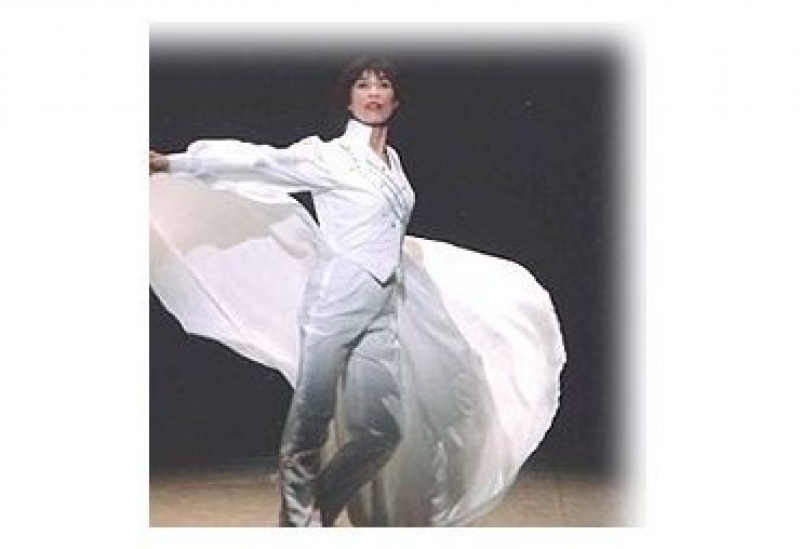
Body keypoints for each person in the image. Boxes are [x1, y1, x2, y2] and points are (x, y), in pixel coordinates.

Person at [149, 56, 566, 527]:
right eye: (362, 85)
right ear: (348, 100)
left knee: (381, 432)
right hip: (335, 301)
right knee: (311, 416)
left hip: (384, 307)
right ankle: (297, 522)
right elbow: (260, 161)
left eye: (382, 85)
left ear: (395, 100)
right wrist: (172, 163)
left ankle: (320, 508)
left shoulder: (393, 163)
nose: (372, 93)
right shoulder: (330, 157)